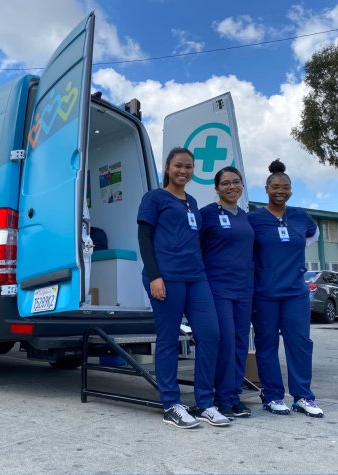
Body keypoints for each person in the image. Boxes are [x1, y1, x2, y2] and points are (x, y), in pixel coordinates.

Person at [137, 147, 229, 429]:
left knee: (211, 334)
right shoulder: (155, 198)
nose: (183, 171)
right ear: (167, 167)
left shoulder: (192, 201)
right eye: (178, 166)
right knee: (167, 340)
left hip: (196, 277)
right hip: (166, 276)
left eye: (189, 167)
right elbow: (144, 236)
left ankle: (204, 403)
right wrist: (154, 275)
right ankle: (171, 404)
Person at [247, 159, 324, 417]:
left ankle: (303, 397)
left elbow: (313, 236)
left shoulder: (301, 217)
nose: (281, 190)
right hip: (265, 292)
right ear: (267, 188)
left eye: (286, 186)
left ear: (291, 189)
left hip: (295, 292)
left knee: (299, 343)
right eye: (276, 186)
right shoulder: (254, 218)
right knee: (267, 344)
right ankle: (272, 396)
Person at [199, 166, 254, 421]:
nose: (232, 187)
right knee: (227, 341)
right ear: (217, 187)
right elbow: (193, 248)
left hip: (244, 289)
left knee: (242, 343)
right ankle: (222, 398)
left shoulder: (245, 216)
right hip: (218, 287)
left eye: (236, 182)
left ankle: (234, 397)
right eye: (225, 183)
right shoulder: (207, 214)